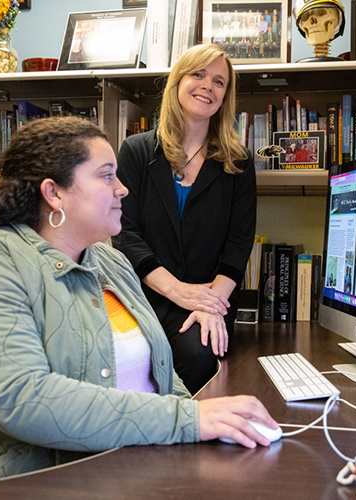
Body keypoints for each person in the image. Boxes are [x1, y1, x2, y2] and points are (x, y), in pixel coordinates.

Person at [0, 117, 275, 487]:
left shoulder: (112, 263)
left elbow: (163, 380)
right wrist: (188, 421)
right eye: (106, 176)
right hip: (22, 484)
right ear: (54, 193)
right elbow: (23, 400)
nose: (123, 190)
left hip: (126, 471)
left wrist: (203, 419)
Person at [112, 44, 256, 395]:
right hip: (144, 294)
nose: (208, 86)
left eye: (219, 81)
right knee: (122, 357)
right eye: (198, 74)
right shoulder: (136, 150)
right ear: (177, 82)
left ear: (225, 97)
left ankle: (180, 438)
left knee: (199, 355)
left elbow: (239, 242)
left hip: (208, 295)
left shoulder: (237, 162)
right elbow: (124, 233)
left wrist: (210, 304)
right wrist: (178, 292)